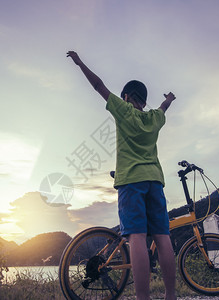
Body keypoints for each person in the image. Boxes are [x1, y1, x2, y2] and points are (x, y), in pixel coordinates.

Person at [67, 51, 177, 300]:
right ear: (144, 102)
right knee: (162, 238)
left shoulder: (124, 111)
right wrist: (169, 97)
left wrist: (79, 62)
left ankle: (143, 298)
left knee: (136, 237)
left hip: (131, 182)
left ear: (126, 97)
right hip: (155, 182)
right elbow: (164, 107)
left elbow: (98, 86)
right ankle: (171, 296)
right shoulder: (154, 118)